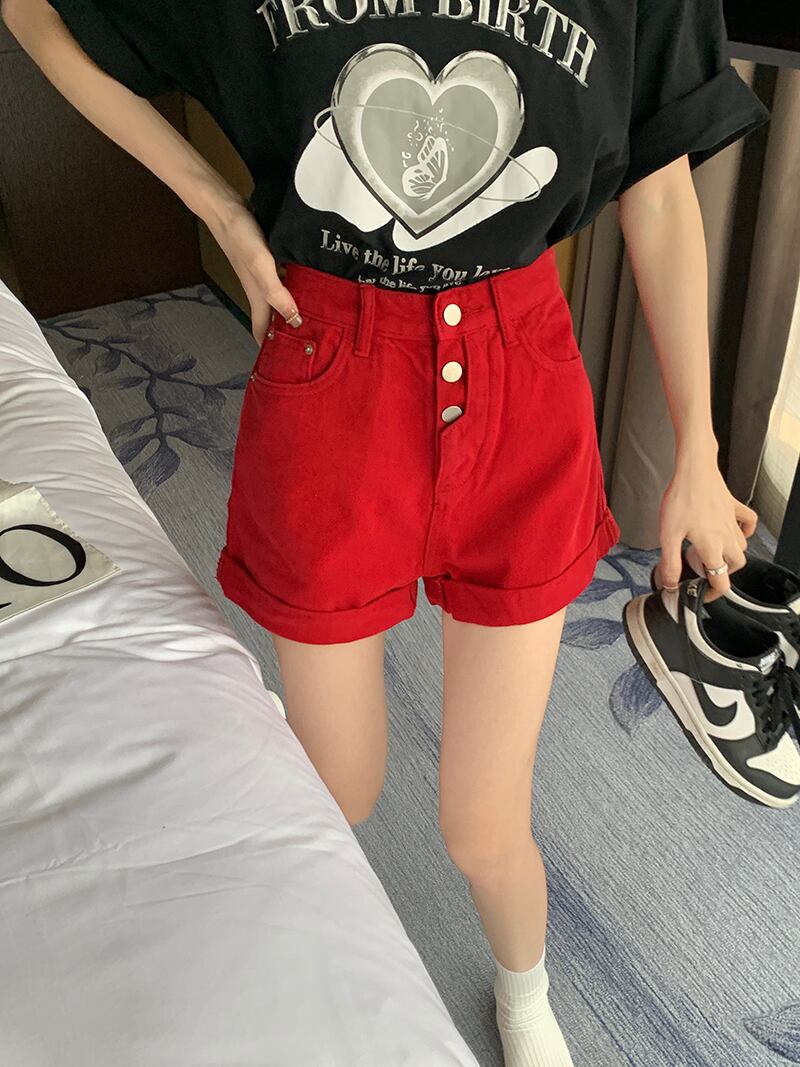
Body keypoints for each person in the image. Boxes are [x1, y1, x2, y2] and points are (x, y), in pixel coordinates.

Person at [3, 0, 769, 1062]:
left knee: (483, 824)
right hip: (330, 384)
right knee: (337, 788)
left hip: (521, 382)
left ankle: (525, 989)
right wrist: (216, 206)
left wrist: (698, 453)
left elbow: (659, 180)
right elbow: (37, 10)